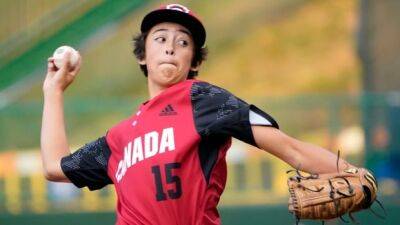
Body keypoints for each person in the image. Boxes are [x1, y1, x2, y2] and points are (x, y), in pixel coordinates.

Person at [41, 3, 356, 225]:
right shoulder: (119, 138)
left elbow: (290, 147)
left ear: (194, 62)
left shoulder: (202, 100)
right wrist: (53, 92)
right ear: (142, 55)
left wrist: (353, 173)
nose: (170, 48)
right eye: (160, 38)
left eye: (183, 42)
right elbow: (55, 167)